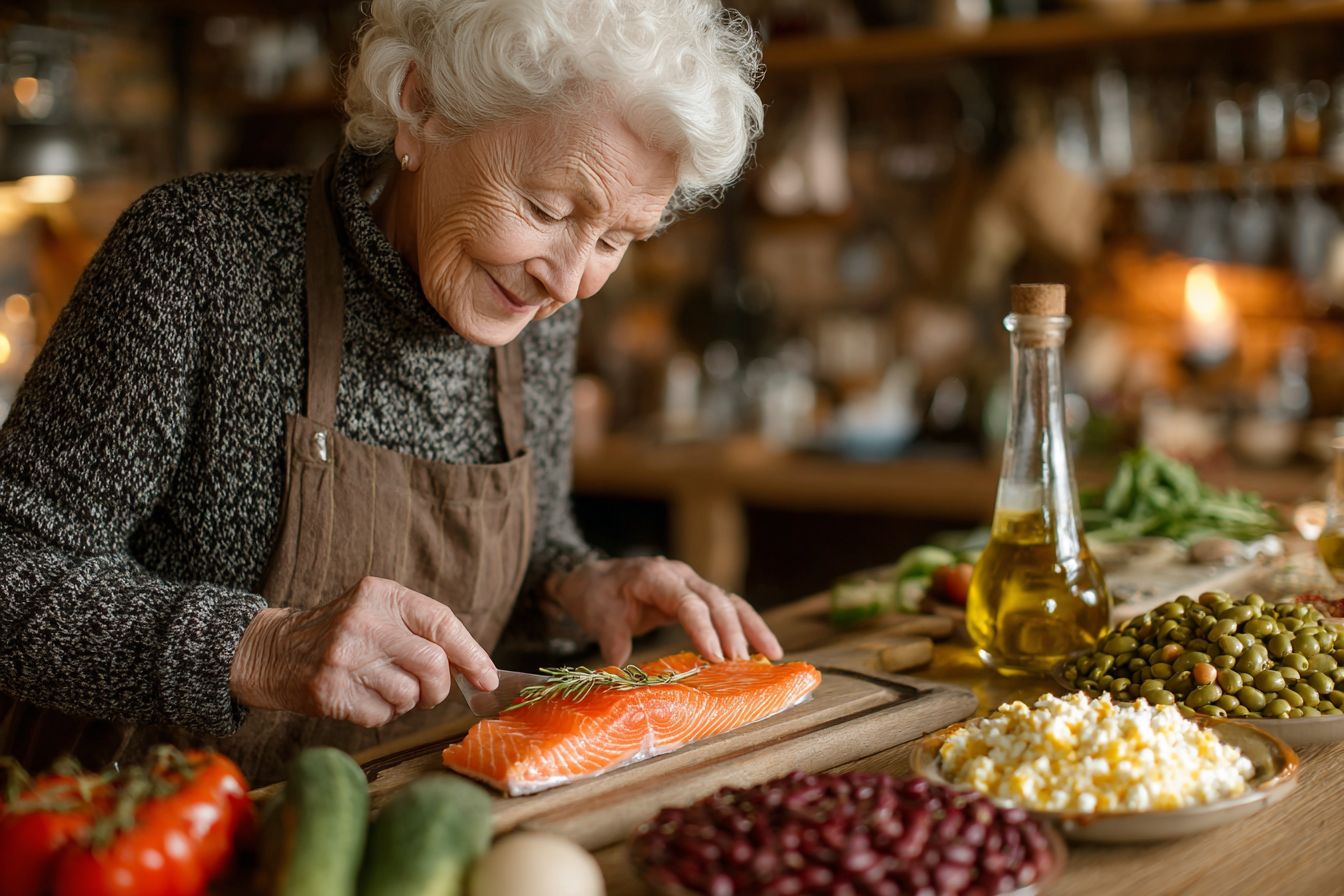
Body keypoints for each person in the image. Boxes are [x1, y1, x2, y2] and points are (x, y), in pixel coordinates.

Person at [0, 0, 780, 786]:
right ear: (421, 108)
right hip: (126, 831)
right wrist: (257, 647)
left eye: (615, 240)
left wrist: (577, 585)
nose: (571, 282)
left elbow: (535, 540)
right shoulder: (199, 258)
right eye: (546, 208)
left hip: (392, 829)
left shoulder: (530, 310)